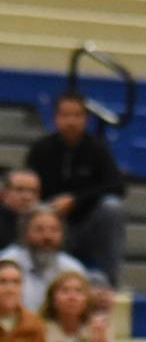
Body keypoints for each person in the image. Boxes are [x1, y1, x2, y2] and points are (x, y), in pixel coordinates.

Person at [25, 91, 126, 288]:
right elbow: (30, 186)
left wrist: (76, 201)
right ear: (56, 118)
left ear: (85, 119)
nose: (71, 121)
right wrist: (48, 210)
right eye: (65, 115)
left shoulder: (97, 149)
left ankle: (108, 283)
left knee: (113, 208)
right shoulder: (40, 149)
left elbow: (117, 185)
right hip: (49, 221)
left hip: (84, 226)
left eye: (77, 115)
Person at [0, 207, 105, 312]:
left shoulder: (71, 267)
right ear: (24, 233)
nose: (47, 236)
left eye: (54, 230)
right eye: (39, 230)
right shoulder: (7, 262)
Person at [0, 168, 41, 249]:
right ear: (4, 193)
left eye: (34, 191)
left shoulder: (47, 223)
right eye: (20, 190)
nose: (27, 197)